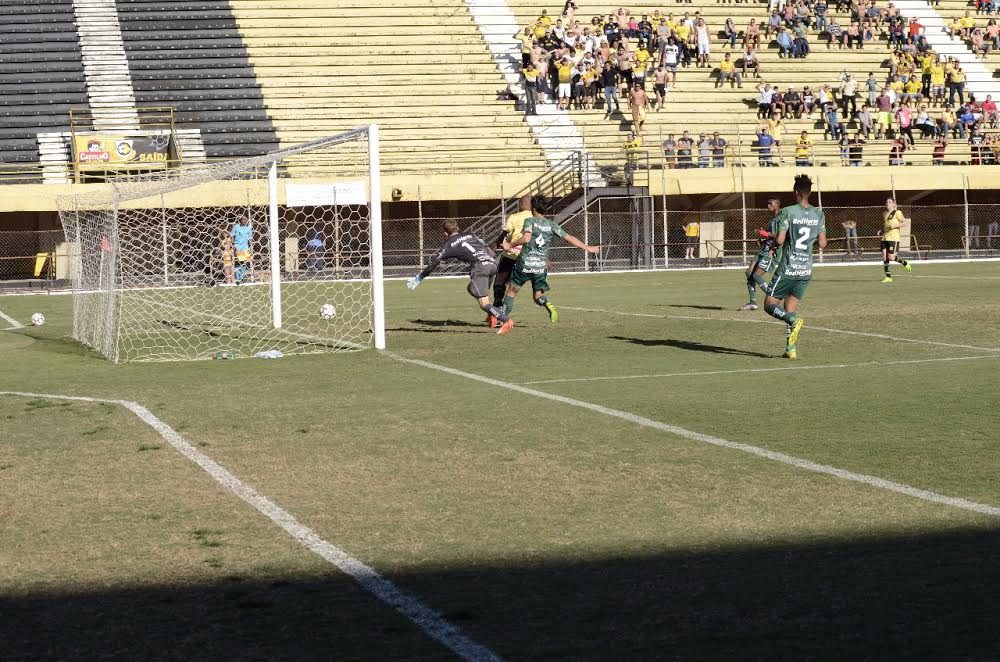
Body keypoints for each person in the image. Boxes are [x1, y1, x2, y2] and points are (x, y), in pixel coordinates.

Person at [499, 201, 600, 334]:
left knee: (512, 291)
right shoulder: (551, 225)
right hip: (541, 266)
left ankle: (503, 319)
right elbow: (569, 237)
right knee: (538, 295)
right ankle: (547, 304)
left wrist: (509, 244)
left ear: (533, 209)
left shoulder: (530, 221)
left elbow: (526, 238)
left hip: (525, 264)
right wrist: (589, 248)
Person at [763, 174, 827, 360]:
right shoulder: (819, 213)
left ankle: (792, 321)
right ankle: (791, 348)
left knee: (770, 305)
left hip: (788, 268)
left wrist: (772, 243)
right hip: (805, 270)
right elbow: (823, 244)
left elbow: (781, 239)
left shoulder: (787, 212)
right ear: (809, 192)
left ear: (796, 192)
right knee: (789, 307)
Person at [406, 219, 511, 330]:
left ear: (445, 233)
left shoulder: (449, 245)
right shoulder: (470, 235)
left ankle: (506, 320)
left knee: (484, 303)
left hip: (480, 268)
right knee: (471, 289)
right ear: (458, 228)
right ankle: (492, 315)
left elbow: (434, 264)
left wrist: (420, 277)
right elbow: (487, 248)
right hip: (492, 263)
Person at [492, 194, 535, 313]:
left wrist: (493, 250)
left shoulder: (514, 217)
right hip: (528, 257)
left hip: (510, 256)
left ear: (521, 204)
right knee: (516, 287)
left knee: (500, 283)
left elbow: (503, 235)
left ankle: (496, 309)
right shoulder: (537, 218)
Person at [739, 197, 782, 311]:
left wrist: (764, 233)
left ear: (777, 205)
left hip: (772, 251)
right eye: (767, 204)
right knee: (749, 273)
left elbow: (779, 236)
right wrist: (762, 239)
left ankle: (774, 296)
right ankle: (752, 302)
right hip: (763, 249)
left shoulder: (781, 219)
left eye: (770, 204)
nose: (768, 206)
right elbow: (769, 235)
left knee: (756, 275)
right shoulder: (771, 220)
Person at [878, 198, 912, 282]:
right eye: (886, 202)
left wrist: (896, 225)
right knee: (885, 257)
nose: (887, 204)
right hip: (885, 238)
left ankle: (905, 263)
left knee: (891, 257)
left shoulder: (897, 212)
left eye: (890, 202)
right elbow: (886, 226)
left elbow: (905, 223)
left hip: (893, 238)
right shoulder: (885, 213)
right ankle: (888, 277)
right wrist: (882, 231)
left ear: (894, 204)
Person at [231, 214, 253, 284]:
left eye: (245, 219)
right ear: (240, 220)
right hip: (238, 246)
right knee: (239, 262)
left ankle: (241, 278)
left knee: (245, 262)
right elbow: (232, 235)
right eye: (243, 219)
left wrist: (251, 247)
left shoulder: (249, 228)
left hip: (245, 247)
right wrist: (233, 244)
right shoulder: (236, 227)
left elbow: (250, 238)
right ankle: (238, 278)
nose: (244, 221)